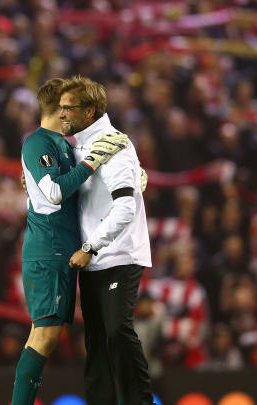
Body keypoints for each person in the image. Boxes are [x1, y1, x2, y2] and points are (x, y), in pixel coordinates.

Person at [12, 78, 128, 405]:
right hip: (47, 250)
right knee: (44, 335)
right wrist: (92, 162)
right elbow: (53, 192)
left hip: (61, 250)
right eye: (66, 107)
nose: (69, 113)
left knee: (47, 337)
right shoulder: (38, 143)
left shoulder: (61, 143)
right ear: (57, 109)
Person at [62, 76, 153, 405]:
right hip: (93, 257)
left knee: (117, 331)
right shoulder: (76, 146)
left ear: (89, 111)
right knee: (97, 340)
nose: (62, 114)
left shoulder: (114, 145)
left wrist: (90, 246)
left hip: (118, 253)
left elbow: (126, 206)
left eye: (68, 108)